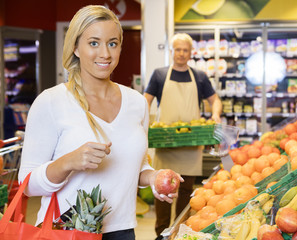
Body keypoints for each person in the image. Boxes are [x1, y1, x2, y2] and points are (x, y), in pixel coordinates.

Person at [18, 5, 181, 240]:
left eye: (112, 43)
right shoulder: (51, 102)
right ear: (75, 47)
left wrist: (153, 177)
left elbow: (136, 166)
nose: (105, 53)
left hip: (123, 231)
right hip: (66, 230)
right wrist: (68, 162)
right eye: (93, 43)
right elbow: (27, 184)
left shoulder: (137, 103)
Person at [144, 33, 223, 238]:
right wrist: (142, 122)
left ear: (191, 53)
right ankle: (161, 234)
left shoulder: (199, 76)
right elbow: (145, 100)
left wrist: (215, 114)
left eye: (185, 50)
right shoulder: (160, 75)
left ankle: (179, 233)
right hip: (166, 142)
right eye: (177, 49)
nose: (181, 53)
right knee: (162, 192)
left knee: (186, 194)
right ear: (171, 52)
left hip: (191, 144)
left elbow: (215, 100)